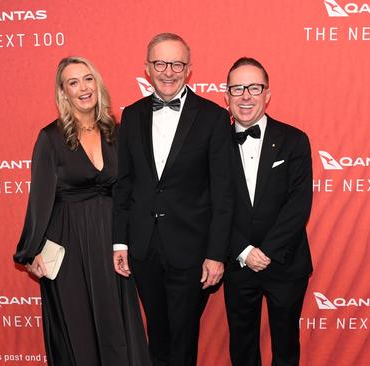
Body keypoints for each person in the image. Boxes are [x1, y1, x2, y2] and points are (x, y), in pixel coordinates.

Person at [13, 56, 150, 366]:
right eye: (73, 82)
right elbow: (40, 200)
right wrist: (29, 251)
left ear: (97, 84)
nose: (83, 88)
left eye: (88, 79)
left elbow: (128, 192)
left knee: (116, 324)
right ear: (64, 93)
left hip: (111, 242)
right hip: (69, 242)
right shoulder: (50, 138)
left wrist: (130, 240)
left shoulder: (115, 131)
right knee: (78, 330)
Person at [112, 33, 233, 366]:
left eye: (177, 64)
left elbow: (224, 193)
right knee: (158, 336)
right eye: (160, 63)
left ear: (189, 69)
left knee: (183, 339)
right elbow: (125, 184)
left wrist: (215, 253)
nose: (168, 72)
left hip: (192, 250)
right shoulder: (132, 115)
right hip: (143, 247)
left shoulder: (213, 117)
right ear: (147, 68)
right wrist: (119, 243)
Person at [222, 57, 313, 366]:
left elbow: (298, 205)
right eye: (238, 88)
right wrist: (244, 251)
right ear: (227, 96)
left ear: (267, 94)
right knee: (242, 348)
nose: (246, 96)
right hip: (238, 262)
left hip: (286, 263)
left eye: (254, 87)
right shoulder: (213, 144)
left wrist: (269, 251)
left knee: (286, 348)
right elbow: (210, 205)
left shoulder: (294, 140)